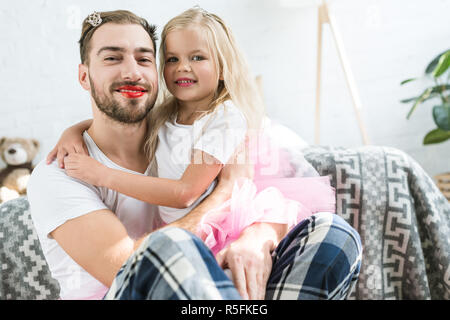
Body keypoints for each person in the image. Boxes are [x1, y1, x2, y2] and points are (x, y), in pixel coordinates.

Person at [28, 9, 362, 301]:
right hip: (130, 290)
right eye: (112, 58)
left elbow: (263, 191)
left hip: (208, 283)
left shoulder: (180, 126)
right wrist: (224, 193)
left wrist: (257, 236)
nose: (132, 71)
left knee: (334, 234)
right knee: (166, 248)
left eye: (144, 58)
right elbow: (130, 266)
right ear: (84, 76)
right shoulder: (62, 171)